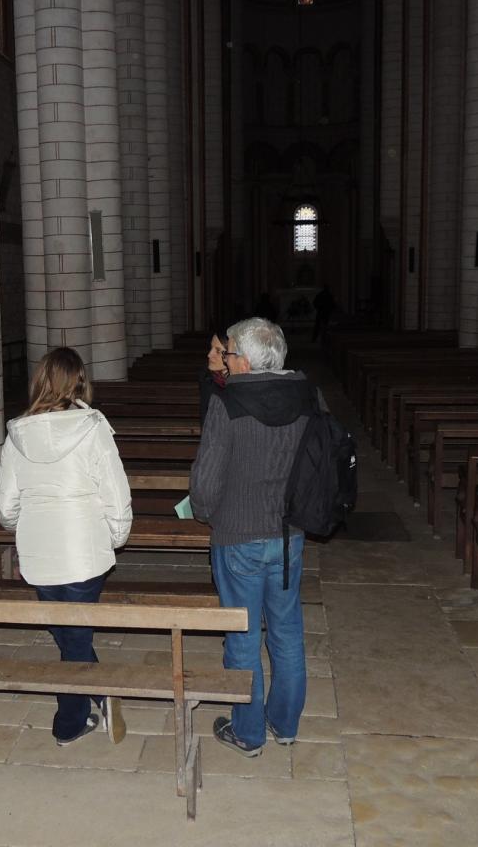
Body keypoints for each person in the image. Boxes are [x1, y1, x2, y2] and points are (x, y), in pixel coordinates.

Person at [0, 347, 133, 746]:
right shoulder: (93, 428)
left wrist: (28, 526)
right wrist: (115, 537)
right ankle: (71, 721)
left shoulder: (17, 434)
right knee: (73, 638)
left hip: (39, 557)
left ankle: (95, 696)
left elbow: (5, 507)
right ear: (80, 382)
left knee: (70, 635)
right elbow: (116, 493)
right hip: (84, 552)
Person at [189, 317, 310, 756]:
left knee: (242, 638)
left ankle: (249, 732)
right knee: (287, 632)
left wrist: (203, 512)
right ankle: (285, 723)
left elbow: (205, 483)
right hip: (287, 536)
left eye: (231, 353)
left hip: (238, 535)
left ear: (248, 361)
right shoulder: (305, 398)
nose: (227, 360)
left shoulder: (229, 405)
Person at [198, 326, 229, 422]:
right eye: (211, 348)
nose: (209, 354)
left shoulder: (244, 381)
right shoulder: (207, 379)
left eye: (218, 351)